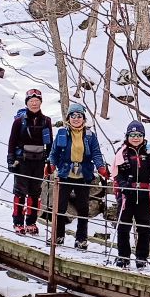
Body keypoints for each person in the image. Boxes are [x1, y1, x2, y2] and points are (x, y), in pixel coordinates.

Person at [47, 103, 108, 249]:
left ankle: (81, 239)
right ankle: (58, 236)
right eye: (73, 116)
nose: (76, 118)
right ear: (68, 118)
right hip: (65, 174)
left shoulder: (90, 136)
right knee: (60, 207)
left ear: (83, 118)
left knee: (83, 208)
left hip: (83, 174)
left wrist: (101, 167)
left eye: (79, 116)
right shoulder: (62, 133)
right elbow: (54, 153)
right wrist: (51, 165)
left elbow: (96, 153)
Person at [111, 120, 150, 270]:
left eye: (139, 135)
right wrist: (123, 185)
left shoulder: (149, 151)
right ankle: (123, 256)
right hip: (127, 193)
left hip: (144, 193)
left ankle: (141, 257)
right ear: (127, 136)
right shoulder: (122, 151)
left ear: (143, 136)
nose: (136, 138)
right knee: (123, 225)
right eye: (132, 135)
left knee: (144, 226)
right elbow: (116, 172)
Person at [7, 89, 53, 235]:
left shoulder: (46, 121)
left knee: (35, 193)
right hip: (22, 161)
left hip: (39, 161)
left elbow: (49, 144)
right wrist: (10, 159)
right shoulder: (19, 122)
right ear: (27, 103)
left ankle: (31, 222)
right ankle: (18, 222)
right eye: (31, 101)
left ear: (41, 102)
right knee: (20, 192)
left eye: (37, 101)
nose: (34, 103)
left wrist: (50, 161)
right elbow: (12, 141)